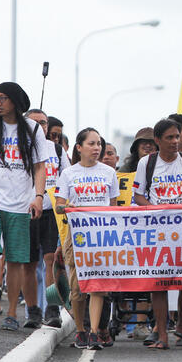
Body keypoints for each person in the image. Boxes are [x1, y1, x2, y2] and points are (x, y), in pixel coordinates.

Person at [0, 82, 48, 331]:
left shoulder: (32, 129)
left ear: (15, 101)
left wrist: (38, 196)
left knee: (16, 260)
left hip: (20, 204)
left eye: (3, 98)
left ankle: (12, 312)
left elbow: (40, 166)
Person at [133, 118, 182, 349]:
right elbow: (138, 196)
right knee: (159, 282)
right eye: (170, 138)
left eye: (178, 136)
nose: (175, 141)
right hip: (158, 231)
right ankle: (162, 333)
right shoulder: (147, 163)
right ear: (158, 140)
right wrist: (156, 211)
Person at [55, 128, 120, 350]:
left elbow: (113, 207)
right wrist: (68, 207)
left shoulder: (109, 173)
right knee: (77, 288)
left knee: (98, 286)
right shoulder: (68, 173)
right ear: (79, 147)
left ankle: (93, 332)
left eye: (99, 144)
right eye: (91, 144)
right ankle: (80, 331)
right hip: (77, 236)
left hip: (102, 236)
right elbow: (59, 205)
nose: (97, 148)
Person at [24, 108, 71, 330]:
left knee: (51, 260)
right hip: (26, 210)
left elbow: (67, 179)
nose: (40, 127)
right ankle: (32, 311)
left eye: (43, 123)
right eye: (35, 123)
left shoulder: (58, 151)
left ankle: (53, 309)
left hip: (52, 211)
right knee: (29, 263)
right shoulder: (18, 150)